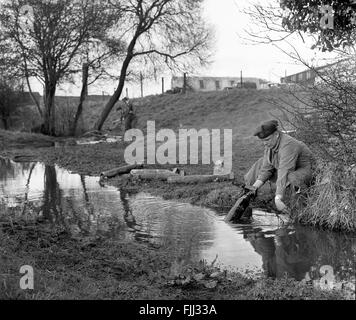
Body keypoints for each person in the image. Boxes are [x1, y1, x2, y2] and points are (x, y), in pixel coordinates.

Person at [244, 120, 314, 214]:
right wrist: (254, 188)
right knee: (259, 164)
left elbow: (284, 171)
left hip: (307, 172)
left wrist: (278, 198)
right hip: (289, 171)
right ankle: (246, 198)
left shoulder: (288, 144)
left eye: (267, 139)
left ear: (276, 134)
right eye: (263, 141)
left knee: (292, 177)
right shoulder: (271, 144)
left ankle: (301, 211)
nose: (265, 143)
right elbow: (266, 169)